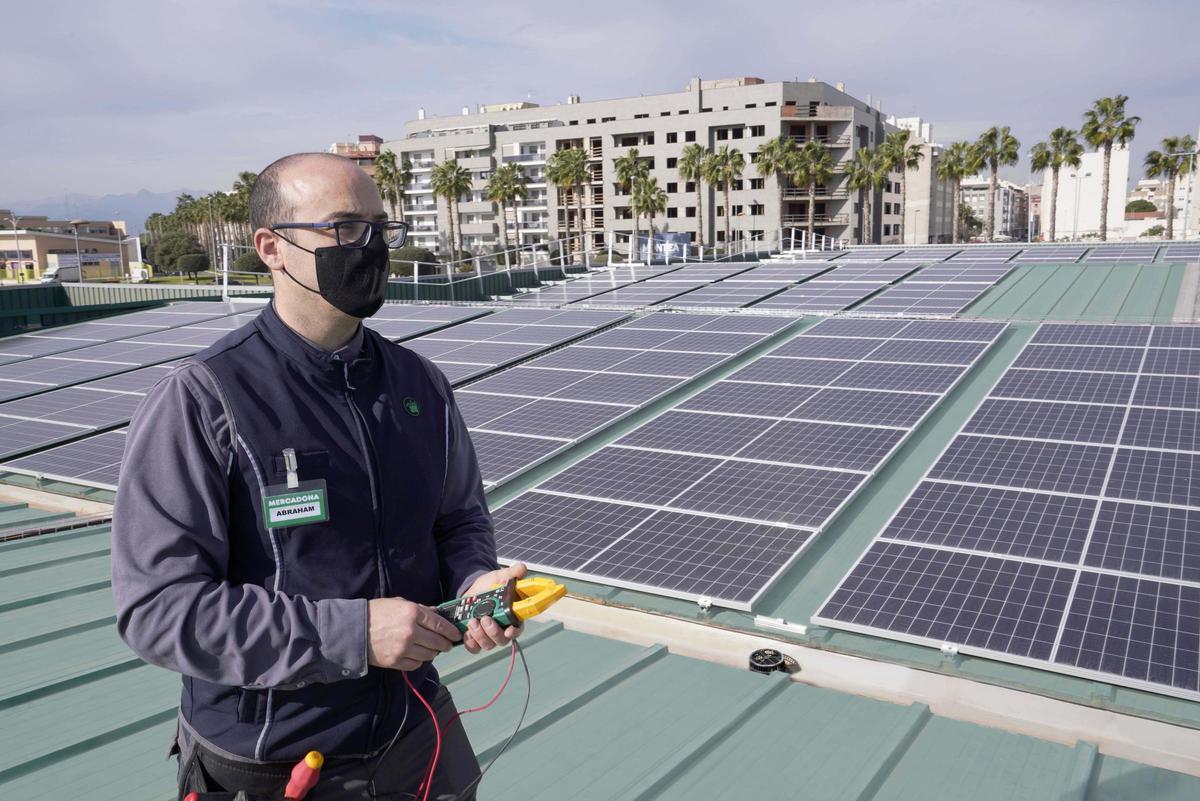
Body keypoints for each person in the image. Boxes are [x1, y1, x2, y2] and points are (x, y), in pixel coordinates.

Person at [111, 152, 525, 800]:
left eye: (379, 227)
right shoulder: (204, 399)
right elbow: (159, 609)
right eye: (343, 227)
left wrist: (476, 581)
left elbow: (458, 518)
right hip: (275, 763)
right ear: (271, 248)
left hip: (418, 737)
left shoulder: (421, 386)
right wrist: (355, 633)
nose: (370, 245)